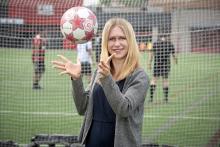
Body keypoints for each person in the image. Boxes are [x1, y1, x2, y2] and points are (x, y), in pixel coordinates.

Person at [52, 18, 149, 147]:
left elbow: (124, 109)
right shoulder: (100, 71)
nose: (117, 43)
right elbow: (83, 108)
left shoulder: (139, 77)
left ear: (130, 41)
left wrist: (107, 78)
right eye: (112, 39)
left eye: (122, 38)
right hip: (93, 142)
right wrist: (76, 79)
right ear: (105, 43)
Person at [147, 34, 177, 103]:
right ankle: (166, 99)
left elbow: (151, 54)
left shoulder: (155, 44)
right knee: (165, 80)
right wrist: (175, 60)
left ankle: (151, 99)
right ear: (167, 36)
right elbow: (174, 54)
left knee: (154, 80)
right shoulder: (169, 44)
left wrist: (149, 63)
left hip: (157, 64)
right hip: (166, 65)